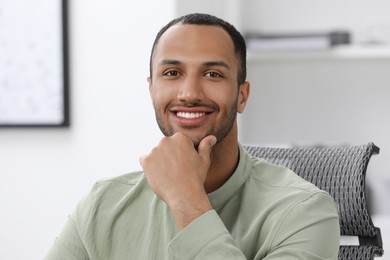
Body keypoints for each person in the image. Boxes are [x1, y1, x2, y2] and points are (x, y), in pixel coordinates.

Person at [45, 13, 340, 259]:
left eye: (213, 74)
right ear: (152, 91)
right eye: (172, 73)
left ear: (242, 96)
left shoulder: (304, 213)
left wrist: (187, 200)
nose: (189, 93)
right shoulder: (102, 205)